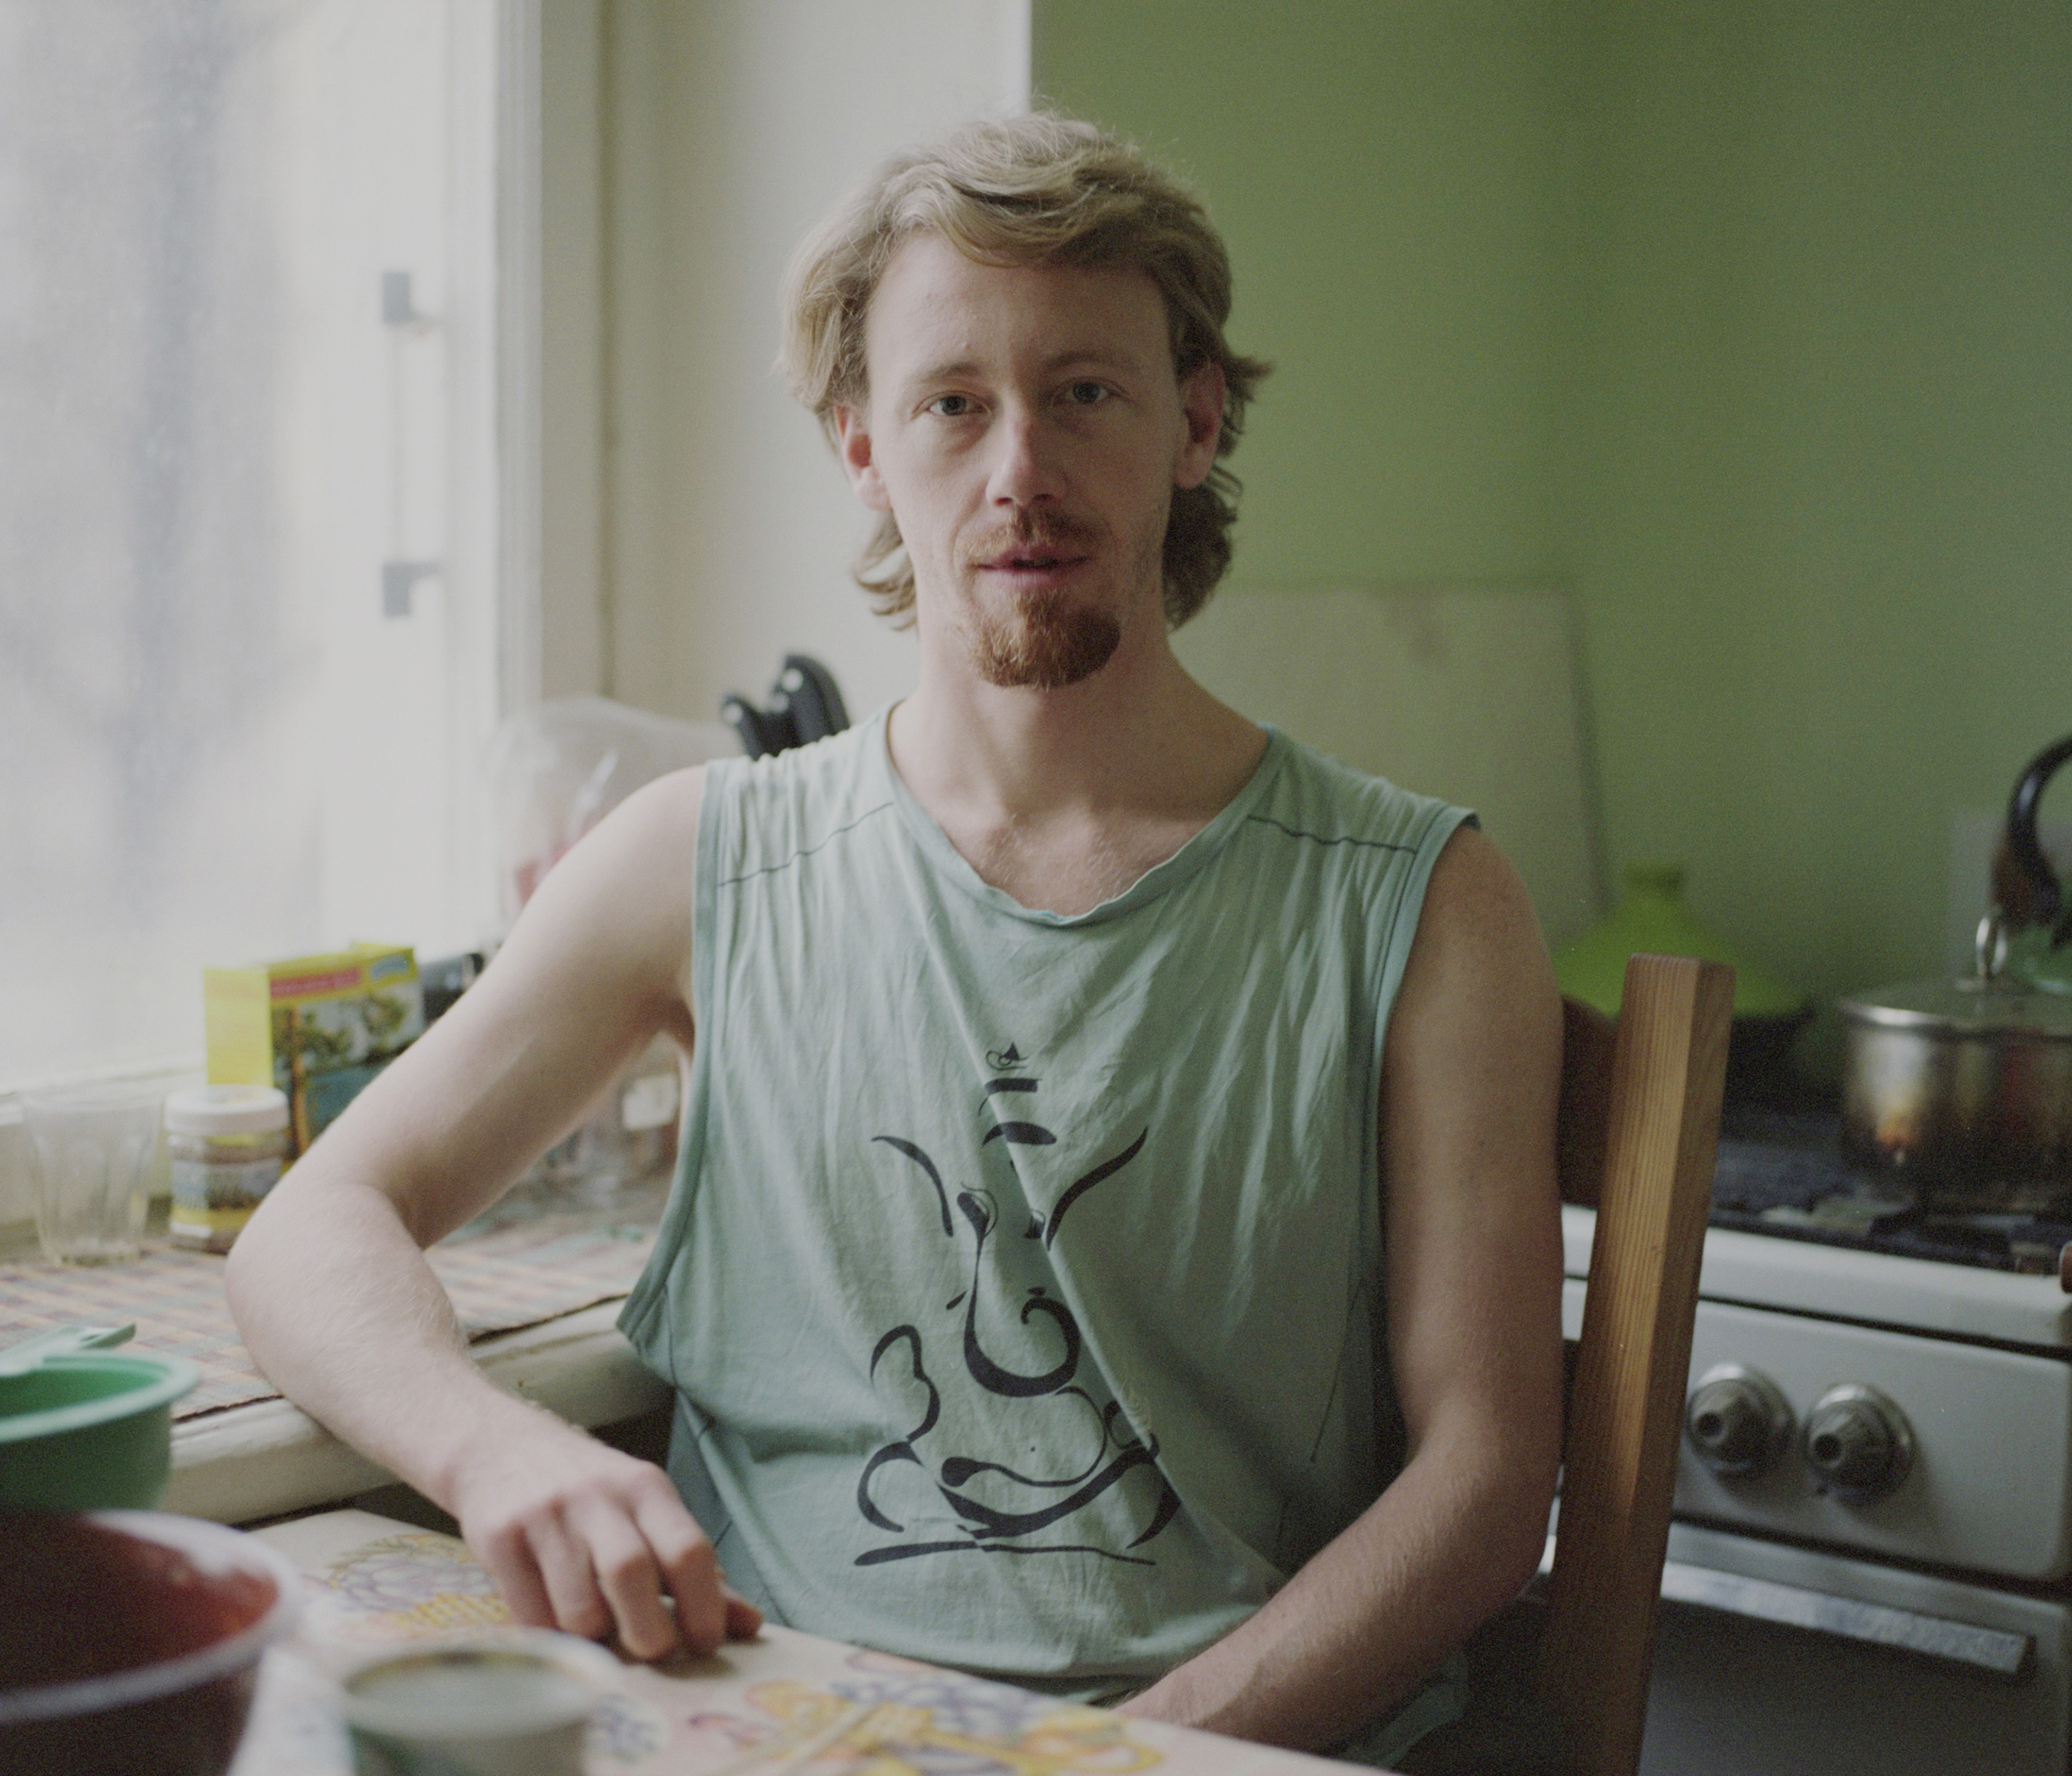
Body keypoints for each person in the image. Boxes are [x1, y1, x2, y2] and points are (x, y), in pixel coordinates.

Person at [227, 113, 1562, 1767]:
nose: (1020, 468)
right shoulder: (699, 861)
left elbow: (1488, 1486)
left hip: (1218, 1744)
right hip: (774, 1727)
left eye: (1086, 390)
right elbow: (313, 1223)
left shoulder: (1423, 902)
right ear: (863, 444)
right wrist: (500, 1453)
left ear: (1196, 419)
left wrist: (1109, 1757)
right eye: (953, 402)